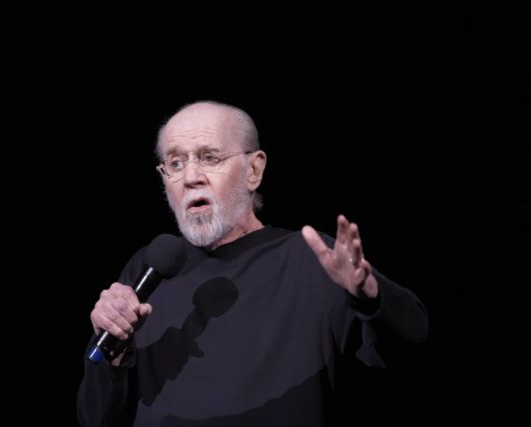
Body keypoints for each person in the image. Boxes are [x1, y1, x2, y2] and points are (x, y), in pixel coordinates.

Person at [77, 100, 428, 426]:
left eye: (209, 157)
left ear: (254, 170)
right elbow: (95, 418)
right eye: (175, 163)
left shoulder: (312, 258)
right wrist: (113, 353)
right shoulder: (149, 268)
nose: (190, 177)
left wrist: (372, 299)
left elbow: (411, 345)